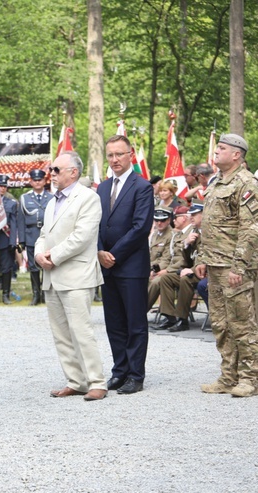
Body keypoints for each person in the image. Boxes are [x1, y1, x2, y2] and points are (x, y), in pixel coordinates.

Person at [35, 151, 106, 401]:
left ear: (73, 172)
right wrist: (38, 254)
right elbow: (44, 233)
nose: (51, 174)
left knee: (81, 331)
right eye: (51, 170)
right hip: (52, 275)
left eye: (56, 169)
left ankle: (97, 381)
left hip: (76, 275)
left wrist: (51, 256)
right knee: (61, 333)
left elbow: (82, 236)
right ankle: (76, 380)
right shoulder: (53, 201)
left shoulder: (88, 198)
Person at [195, 134, 258, 397]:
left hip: (235, 268)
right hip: (214, 264)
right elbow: (208, 225)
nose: (216, 151)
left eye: (222, 148)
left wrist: (238, 267)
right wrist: (201, 258)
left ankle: (250, 378)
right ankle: (228, 376)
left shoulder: (246, 183)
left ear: (236, 154)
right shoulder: (216, 182)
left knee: (242, 324)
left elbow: (251, 228)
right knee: (221, 325)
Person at [97, 134, 154, 395]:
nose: (114, 159)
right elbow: (96, 223)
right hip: (106, 265)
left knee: (135, 323)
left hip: (130, 266)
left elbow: (140, 227)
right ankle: (119, 371)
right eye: (110, 155)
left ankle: (135, 375)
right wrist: (99, 251)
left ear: (130, 154)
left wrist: (113, 254)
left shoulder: (142, 187)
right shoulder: (102, 188)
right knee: (114, 323)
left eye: (119, 154)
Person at [156, 203, 203, 332]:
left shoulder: (208, 232)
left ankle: (182, 320)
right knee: (167, 278)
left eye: (195, 214)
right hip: (194, 271)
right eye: (190, 214)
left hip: (206, 273)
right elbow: (188, 259)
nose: (191, 217)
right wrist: (186, 244)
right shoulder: (194, 232)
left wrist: (191, 270)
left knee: (185, 279)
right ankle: (170, 316)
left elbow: (207, 257)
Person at [148, 206, 193, 316]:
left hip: (169, 269)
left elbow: (168, 258)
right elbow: (149, 255)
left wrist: (161, 270)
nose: (159, 223)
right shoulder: (154, 235)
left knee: (157, 282)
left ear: (168, 220)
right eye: (156, 220)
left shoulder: (173, 235)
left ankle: (138, 313)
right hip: (157, 269)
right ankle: (129, 311)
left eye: (162, 220)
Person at [18, 168, 53, 305]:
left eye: (40, 180)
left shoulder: (51, 197)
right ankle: (35, 295)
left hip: (47, 236)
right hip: (31, 235)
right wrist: (21, 240)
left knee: (46, 265)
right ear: (31, 182)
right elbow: (20, 220)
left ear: (45, 181)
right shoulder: (24, 198)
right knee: (33, 267)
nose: (38, 182)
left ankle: (45, 294)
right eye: (35, 180)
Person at [0, 175, 22, 304]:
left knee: (7, 268)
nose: (2, 188)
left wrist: (13, 241)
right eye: (0, 186)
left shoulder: (11, 204)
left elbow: (13, 225)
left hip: (6, 240)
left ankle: (6, 295)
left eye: (4, 186)